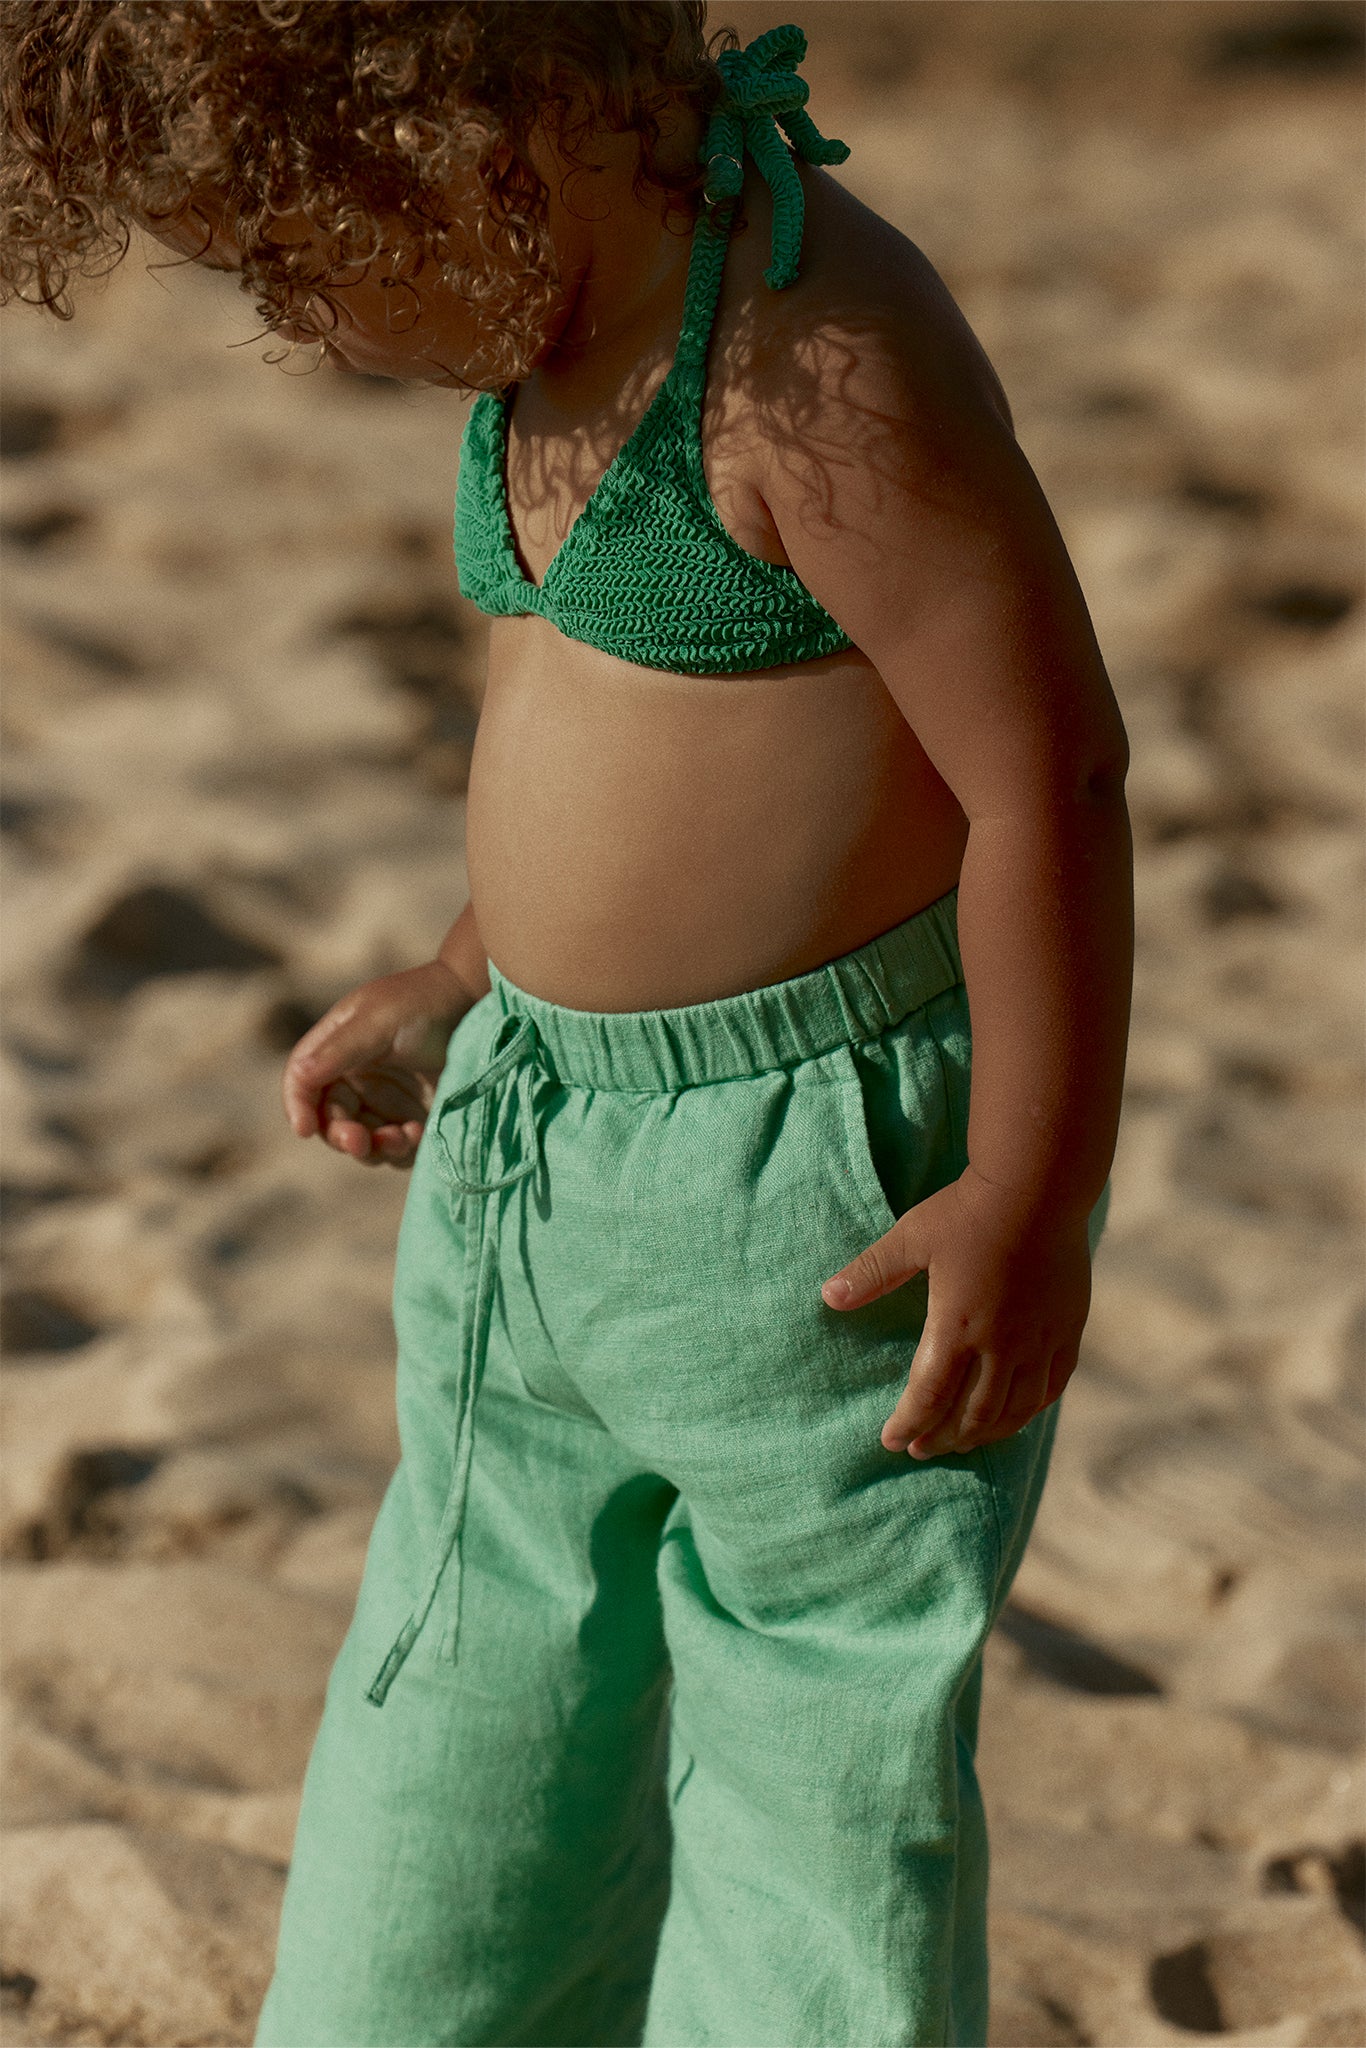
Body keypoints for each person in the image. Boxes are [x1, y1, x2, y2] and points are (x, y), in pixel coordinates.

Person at [0, 5, 1133, 2043]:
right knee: (463, 1683)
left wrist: (1025, 1188)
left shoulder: (811, 360)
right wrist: (464, 971)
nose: (314, 329)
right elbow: (597, 734)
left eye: (307, 254)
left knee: (819, 1747)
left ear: (482, 124)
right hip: (531, 1151)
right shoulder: (557, 327)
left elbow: (1041, 779)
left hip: (811, 1193)